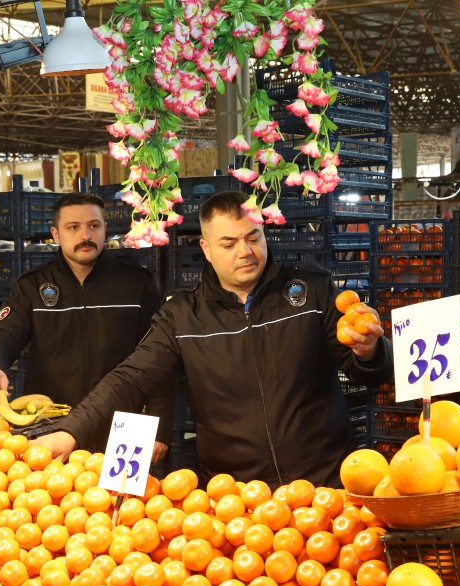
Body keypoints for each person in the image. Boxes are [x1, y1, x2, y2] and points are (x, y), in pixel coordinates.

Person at [34, 190, 394, 488]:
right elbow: (130, 378)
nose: (245, 251)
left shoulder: (311, 291)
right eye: (229, 243)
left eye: (254, 237)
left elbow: (368, 373)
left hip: (325, 484)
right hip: (235, 497)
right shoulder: (183, 316)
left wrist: (370, 351)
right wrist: (71, 432)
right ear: (206, 248)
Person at [0, 192, 172, 460]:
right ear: (56, 235)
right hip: (50, 426)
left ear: (105, 229)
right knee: (50, 499)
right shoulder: (32, 286)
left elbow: (159, 358)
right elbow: (2, 333)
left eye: (94, 226)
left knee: (127, 502)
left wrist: (160, 428)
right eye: (73, 228)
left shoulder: (136, 284)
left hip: (124, 427)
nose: (86, 235)